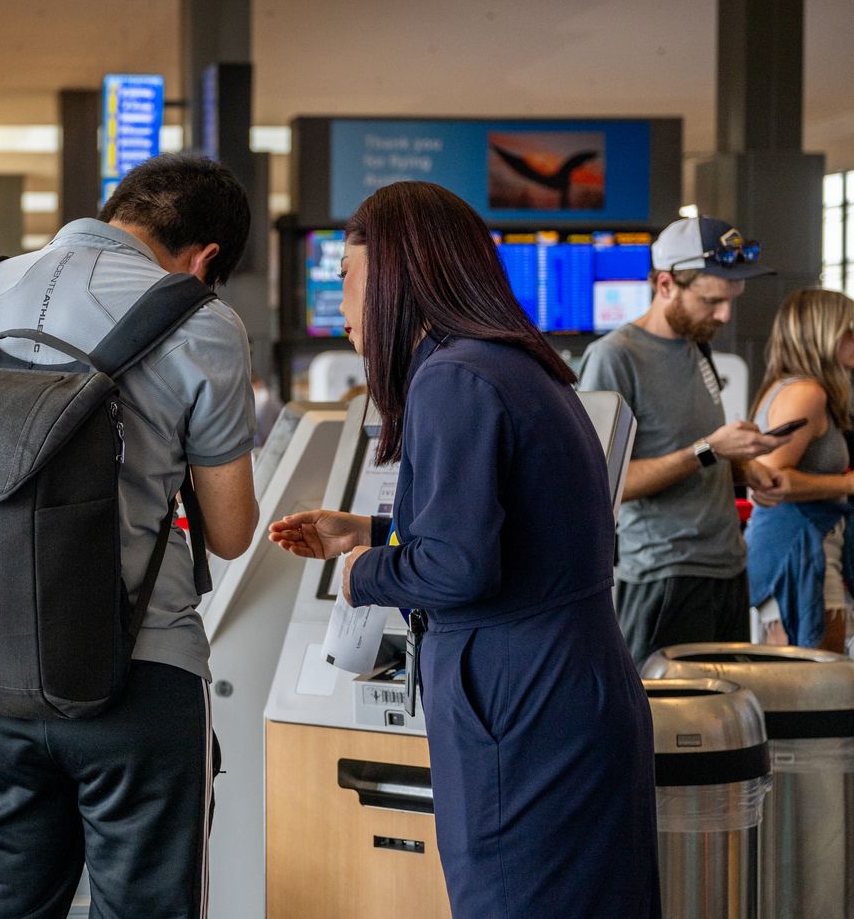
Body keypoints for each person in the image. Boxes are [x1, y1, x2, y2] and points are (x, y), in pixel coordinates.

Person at [270, 181, 659, 919]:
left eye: (346, 280)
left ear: (390, 276)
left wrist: (361, 574)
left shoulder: (452, 376)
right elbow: (514, 540)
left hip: (521, 702)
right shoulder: (514, 365)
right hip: (568, 684)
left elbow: (460, 567)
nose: (342, 308)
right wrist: (372, 532)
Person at [0, 152, 261, 917]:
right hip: (141, 672)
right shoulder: (202, 321)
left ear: (118, 211)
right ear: (205, 257)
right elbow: (231, 531)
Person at [577, 215, 787, 664]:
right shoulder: (615, 357)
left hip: (727, 566)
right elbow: (602, 486)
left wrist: (747, 466)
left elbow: (698, 450)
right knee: (666, 727)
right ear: (667, 284)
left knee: (726, 722)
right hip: (664, 576)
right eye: (712, 301)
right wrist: (711, 449)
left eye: (731, 301)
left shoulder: (697, 344)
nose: (724, 315)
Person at [745, 288, 854, 650]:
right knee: (815, 687)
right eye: (848, 330)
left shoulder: (799, 388)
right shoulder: (806, 392)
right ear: (824, 335)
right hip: (797, 546)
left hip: (805, 543)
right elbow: (771, 480)